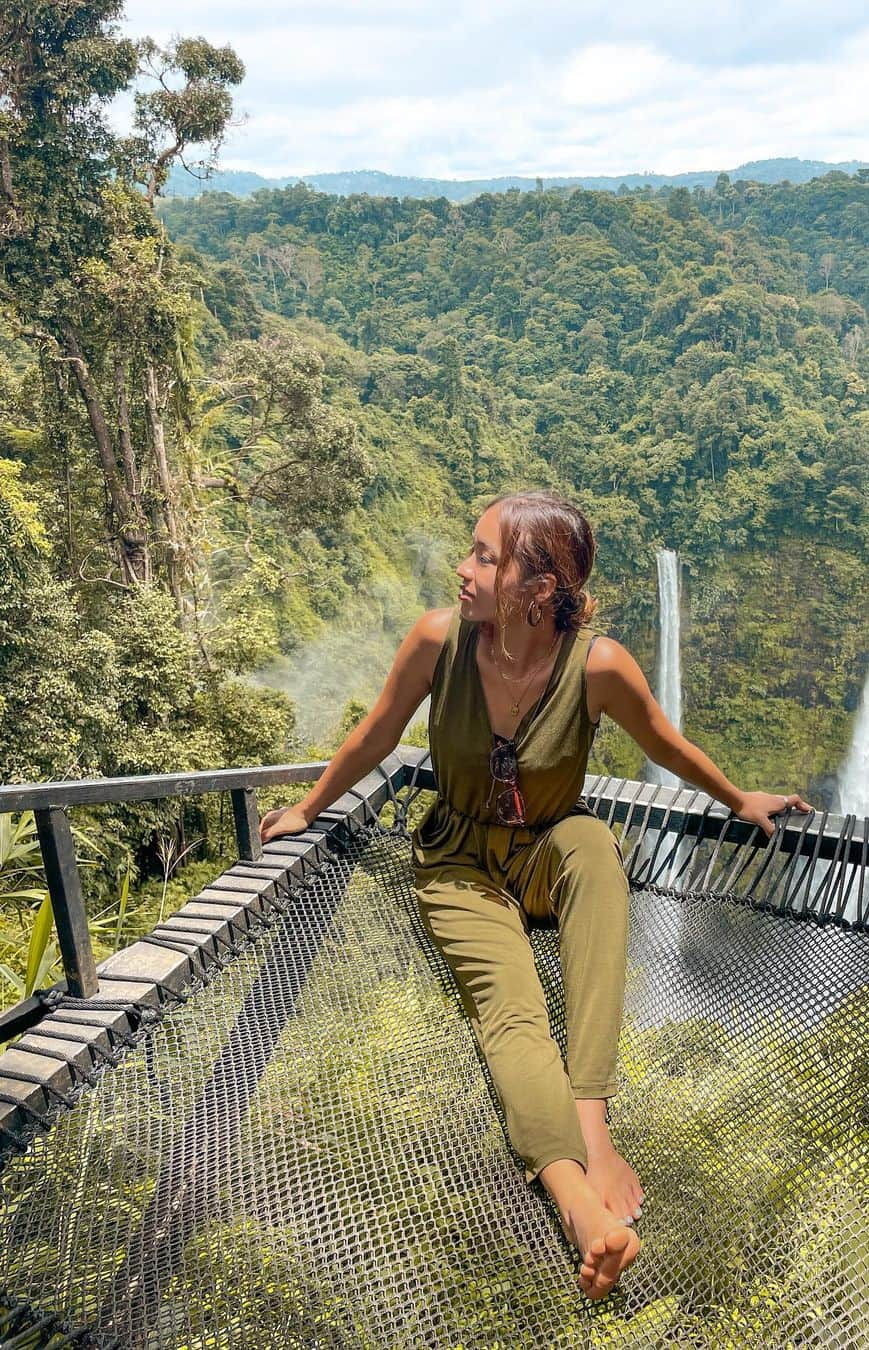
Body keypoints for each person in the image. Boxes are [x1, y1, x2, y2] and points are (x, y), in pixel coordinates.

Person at [259, 489, 814, 1301]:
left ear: (537, 587)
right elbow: (378, 730)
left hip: (551, 847)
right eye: (471, 551)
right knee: (510, 1010)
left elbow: (665, 741)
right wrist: (310, 806)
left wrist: (738, 799)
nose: (464, 567)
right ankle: (579, 1206)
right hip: (458, 863)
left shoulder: (596, 666)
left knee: (595, 849)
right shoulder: (436, 643)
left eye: (485, 556)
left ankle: (593, 1124)